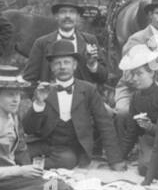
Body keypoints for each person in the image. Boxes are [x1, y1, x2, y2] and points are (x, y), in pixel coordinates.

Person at [22, 40, 126, 171]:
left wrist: (115, 160)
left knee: (67, 160)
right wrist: (38, 103)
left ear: (75, 65)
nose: (62, 67)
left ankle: (31, 166)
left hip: (71, 147)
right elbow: (28, 128)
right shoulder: (44, 89)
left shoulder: (88, 90)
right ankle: (28, 164)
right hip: (45, 142)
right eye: (57, 63)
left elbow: (104, 123)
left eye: (67, 62)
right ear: (52, 67)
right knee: (19, 153)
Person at [24, 0, 107, 87]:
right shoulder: (41, 43)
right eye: (63, 12)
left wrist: (93, 65)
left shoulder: (90, 40)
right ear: (56, 16)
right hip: (50, 100)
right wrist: (40, 98)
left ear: (78, 16)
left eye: (72, 12)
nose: (67, 16)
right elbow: (29, 79)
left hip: (83, 100)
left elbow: (103, 77)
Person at [114, 0, 158, 114]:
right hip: (135, 89)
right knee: (124, 112)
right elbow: (129, 76)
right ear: (150, 15)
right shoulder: (137, 39)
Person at [113, 44, 158, 174]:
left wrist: (150, 127)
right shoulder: (135, 97)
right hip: (149, 142)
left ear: (152, 72)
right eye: (133, 74)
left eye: (139, 74)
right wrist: (119, 158)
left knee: (148, 165)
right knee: (144, 165)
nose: (134, 79)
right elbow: (131, 132)